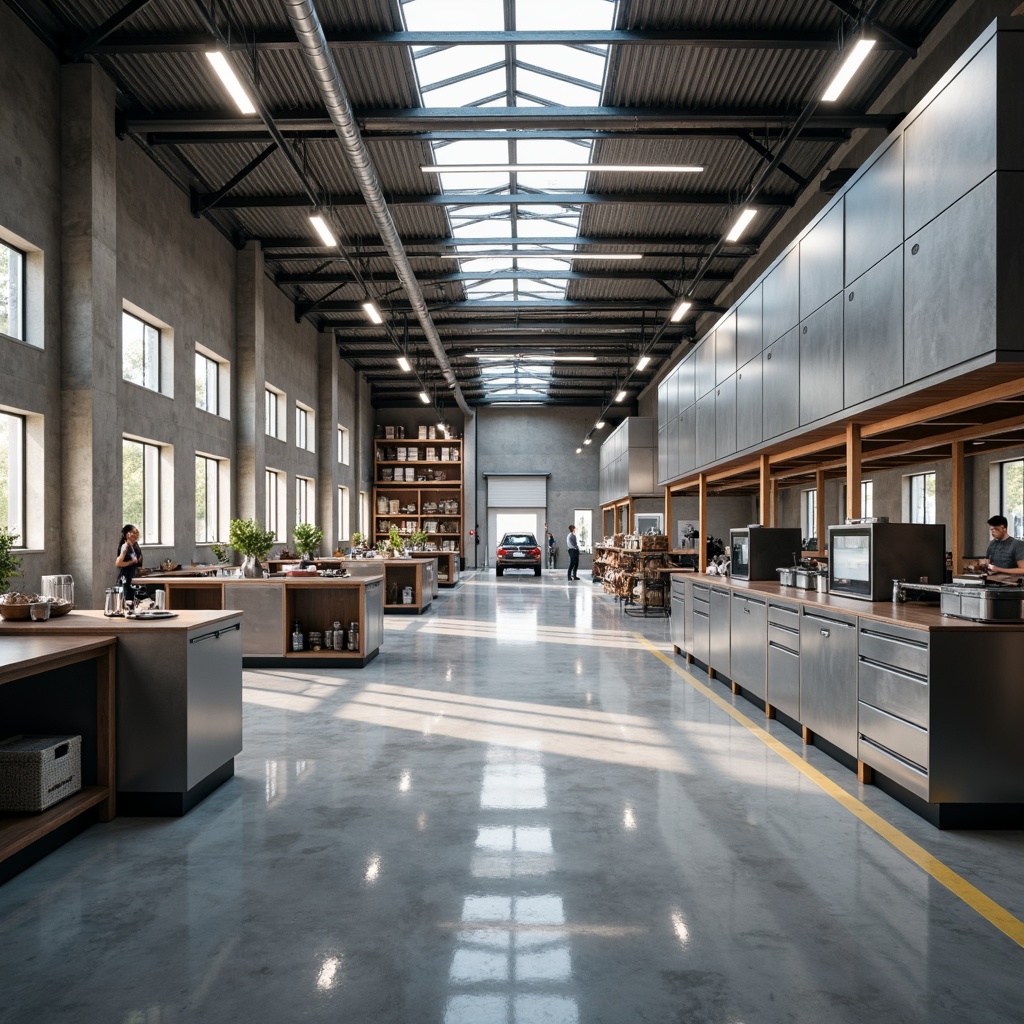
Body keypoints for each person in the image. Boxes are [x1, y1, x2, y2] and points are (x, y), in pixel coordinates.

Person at [115, 523, 143, 599]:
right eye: (134, 532)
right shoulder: (125, 546)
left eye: (137, 531)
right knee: (127, 602)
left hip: (132, 578)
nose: (136, 534)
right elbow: (118, 563)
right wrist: (130, 562)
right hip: (126, 579)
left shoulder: (133, 545)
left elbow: (135, 559)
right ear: (128, 534)